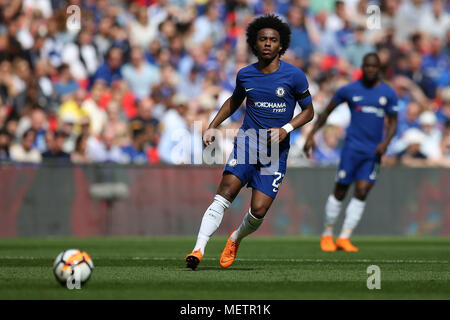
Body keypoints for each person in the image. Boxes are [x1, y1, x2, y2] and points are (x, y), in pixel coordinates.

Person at [185, 14, 314, 270]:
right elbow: (234, 100)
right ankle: (197, 249)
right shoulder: (245, 75)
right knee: (225, 192)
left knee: (258, 211)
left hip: (275, 151)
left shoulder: (295, 76)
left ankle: (235, 238)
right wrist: (213, 126)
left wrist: (286, 129)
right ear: (255, 44)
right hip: (248, 142)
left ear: (281, 45)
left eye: (273, 40)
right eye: (262, 39)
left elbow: (309, 111)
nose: (267, 43)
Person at [304, 53, 398, 252]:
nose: (371, 69)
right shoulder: (349, 90)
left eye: (374, 66)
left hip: (373, 152)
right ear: (362, 67)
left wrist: (386, 142)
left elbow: (393, 122)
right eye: (367, 66)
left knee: (362, 191)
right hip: (352, 149)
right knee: (341, 190)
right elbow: (326, 112)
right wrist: (312, 134)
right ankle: (327, 234)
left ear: (379, 69)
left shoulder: (388, 93)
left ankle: (345, 237)